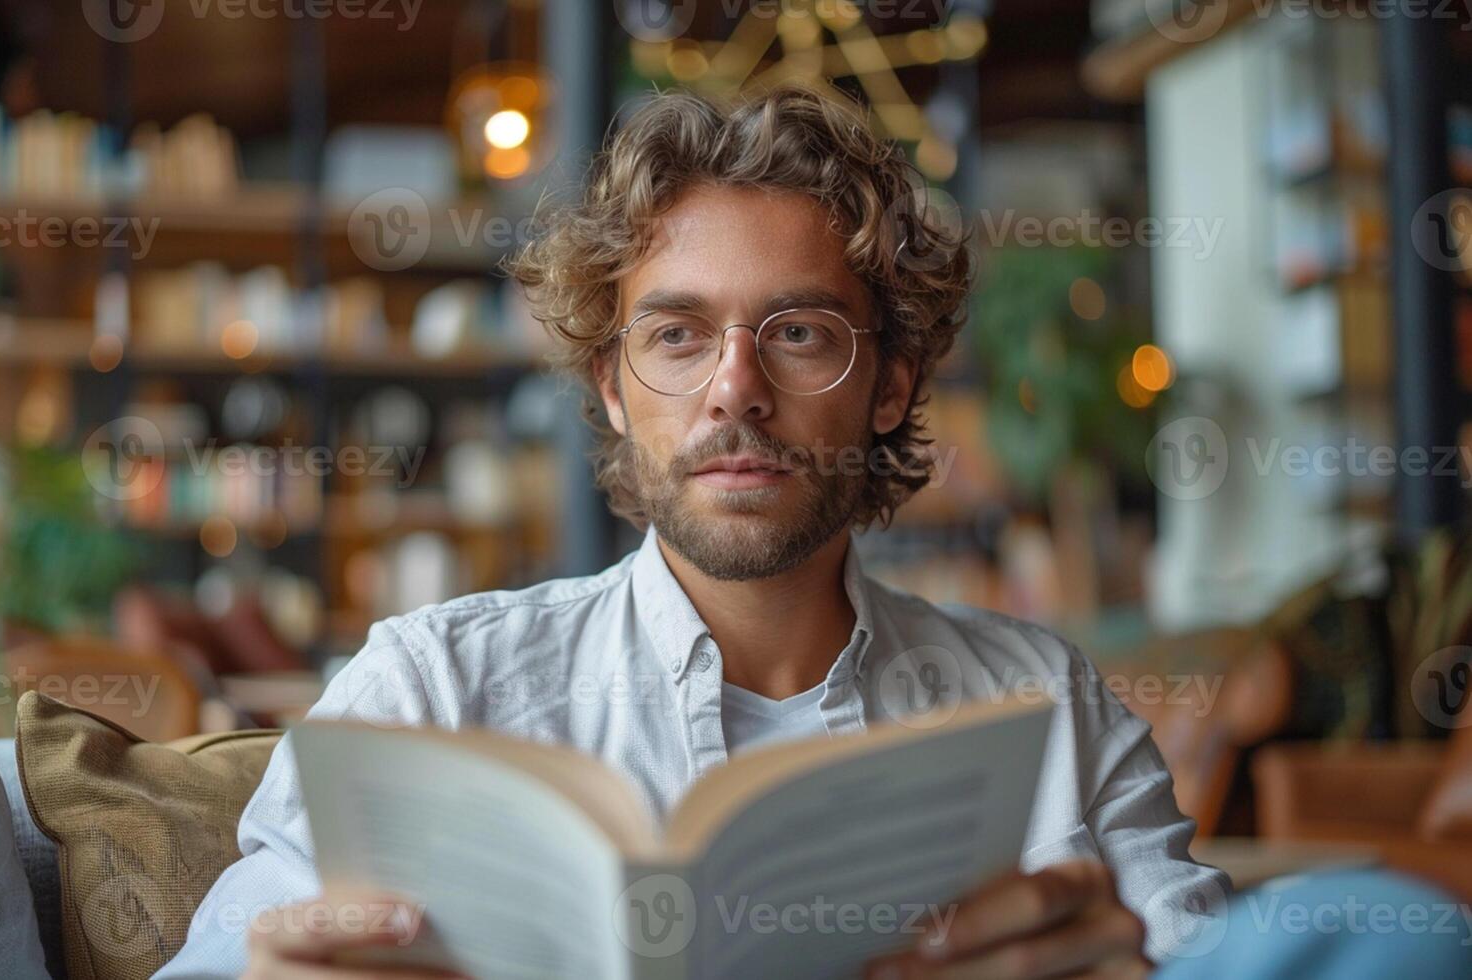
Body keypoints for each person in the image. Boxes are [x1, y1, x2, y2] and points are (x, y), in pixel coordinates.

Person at [159, 86, 1222, 979]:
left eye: (798, 332)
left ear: (892, 383)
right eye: (676, 334)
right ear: (612, 386)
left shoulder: (1049, 709)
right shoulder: (428, 690)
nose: (735, 391)